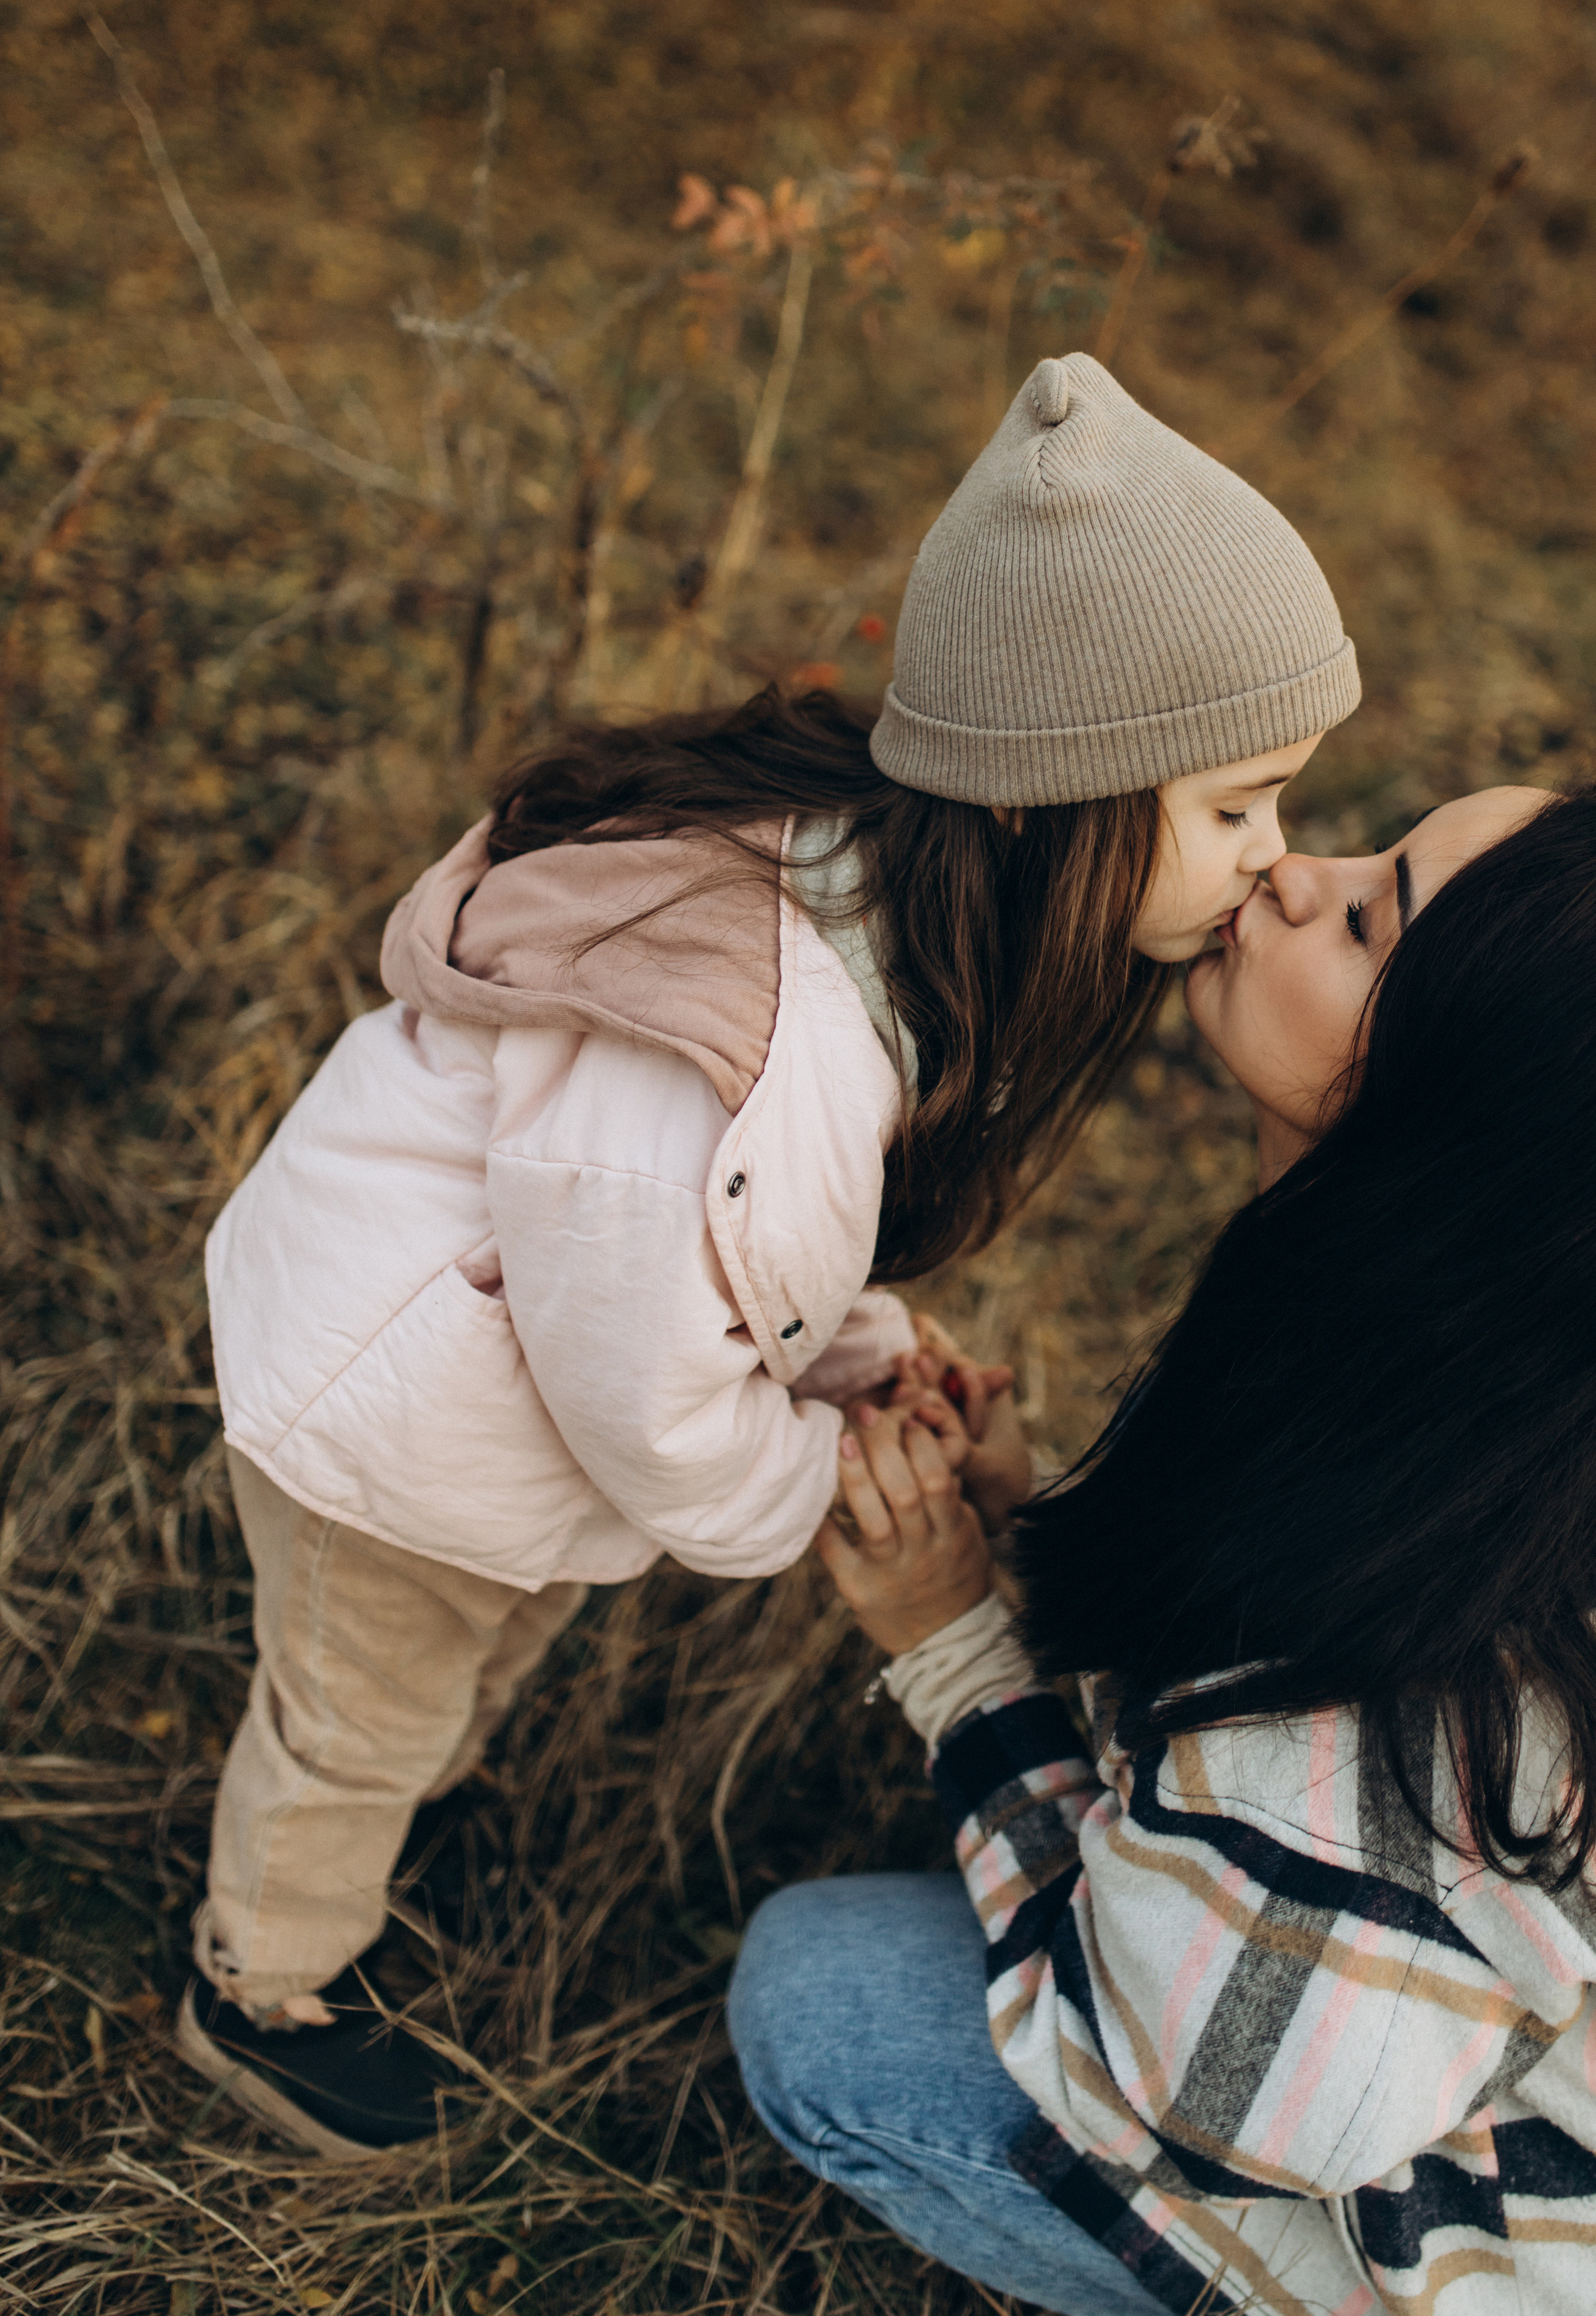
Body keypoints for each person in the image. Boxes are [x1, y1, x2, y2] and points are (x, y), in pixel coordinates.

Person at [176, 350, 1362, 2155]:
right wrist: (819, 1471)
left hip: (497, 1386)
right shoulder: (756, 1045)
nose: (1271, 860)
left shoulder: (877, 914)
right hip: (385, 1414)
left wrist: (856, 1352)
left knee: (461, 1661)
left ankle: (412, 1794)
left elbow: (711, 1272)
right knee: (354, 1710)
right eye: (1233, 805)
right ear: (1049, 792)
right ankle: (255, 1986)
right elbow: (654, 1391)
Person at [732, 783, 1596, 2316]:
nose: (1280, 870)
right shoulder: (1534, 1388)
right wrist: (1026, 1526)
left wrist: (950, 1647)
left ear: (1449, 1109)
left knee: (824, 2013)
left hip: (1534, 2268)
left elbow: (1212, 2106)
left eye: (1361, 918)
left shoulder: (1409, 1688)